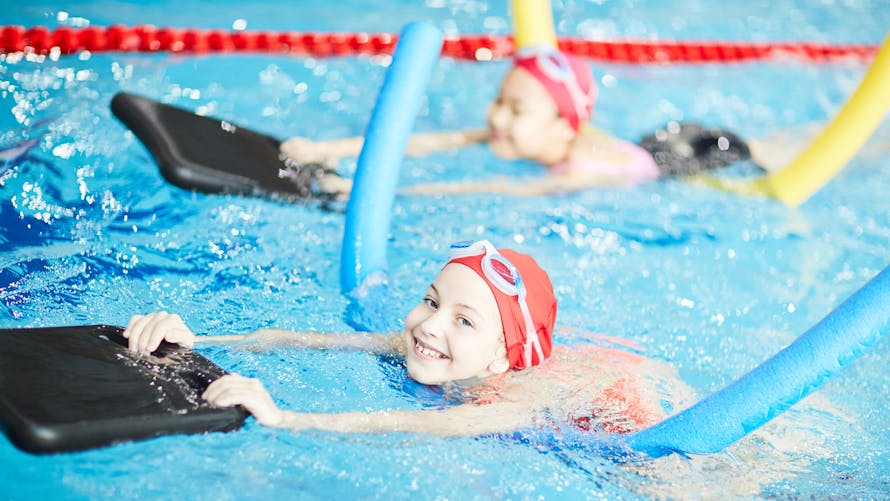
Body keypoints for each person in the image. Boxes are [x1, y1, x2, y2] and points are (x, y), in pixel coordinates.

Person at [123, 239, 693, 437]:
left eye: (463, 321)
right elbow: (309, 340)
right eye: (431, 300)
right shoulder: (431, 344)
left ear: (501, 359)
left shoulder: (509, 400)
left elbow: (424, 423)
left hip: (640, 428)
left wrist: (288, 419)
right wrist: (204, 337)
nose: (430, 325)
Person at [284, 45, 789, 198]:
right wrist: (330, 149)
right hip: (654, 140)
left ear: (562, 128)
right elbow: (433, 141)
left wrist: (363, 191)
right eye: (500, 99)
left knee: (773, 153)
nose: (496, 116)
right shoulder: (525, 133)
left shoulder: (575, 173)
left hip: (689, 157)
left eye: (517, 109)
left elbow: (484, 188)